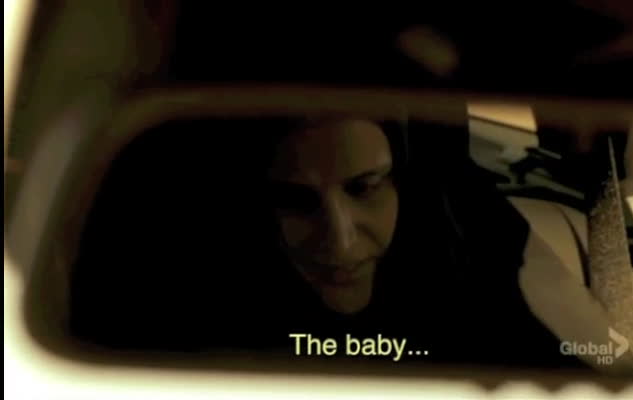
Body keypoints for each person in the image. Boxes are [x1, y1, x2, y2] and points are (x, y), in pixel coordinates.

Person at [71, 114, 578, 368]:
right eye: (295, 200)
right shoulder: (187, 322)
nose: (341, 244)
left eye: (364, 187)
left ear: (407, 184)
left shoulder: (477, 272)